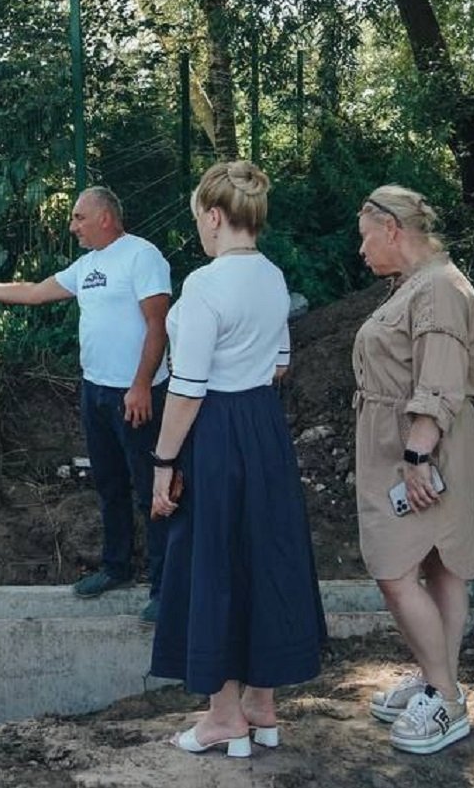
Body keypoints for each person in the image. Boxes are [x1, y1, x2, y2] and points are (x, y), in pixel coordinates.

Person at [149, 161, 325, 758]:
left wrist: (163, 460)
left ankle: (224, 716)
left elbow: (186, 387)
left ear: (216, 216)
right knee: (263, 557)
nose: (200, 229)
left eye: (200, 217)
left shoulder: (204, 284)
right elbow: (280, 360)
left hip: (217, 431)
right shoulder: (274, 277)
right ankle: (262, 706)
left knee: (213, 563)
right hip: (264, 430)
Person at [0, 185, 171, 619]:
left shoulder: (143, 257)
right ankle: (116, 566)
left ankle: (165, 588)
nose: (73, 226)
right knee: (109, 485)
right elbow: (34, 292)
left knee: (151, 489)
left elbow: (157, 325)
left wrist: (141, 384)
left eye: (78, 218)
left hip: (138, 393)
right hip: (96, 391)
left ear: (105, 217)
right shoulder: (88, 265)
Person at [352, 186, 474, 755]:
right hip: (404, 442)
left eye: (364, 236)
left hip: (421, 445)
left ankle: (447, 699)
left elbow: (440, 380)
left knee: (395, 569)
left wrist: (417, 456)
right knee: (434, 562)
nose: (361, 250)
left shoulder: (439, 290)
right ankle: (437, 681)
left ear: (390, 228)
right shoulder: (418, 285)